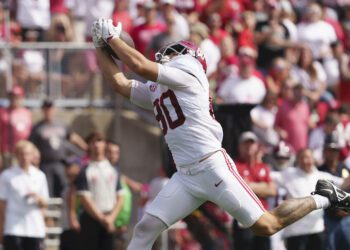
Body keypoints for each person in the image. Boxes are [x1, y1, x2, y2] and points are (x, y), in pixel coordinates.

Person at [91, 18, 350, 250]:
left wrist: (112, 38)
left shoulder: (189, 72)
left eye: (173, 51)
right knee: (145, 229)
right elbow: (121, 84)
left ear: (188, 56)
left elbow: (138, 64)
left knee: (266, 225)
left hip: (211, 166)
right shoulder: (163, 87)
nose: (165, 54)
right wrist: (100, 46)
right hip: (185, 175)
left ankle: (324, 197)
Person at [74, 131, 124, 250]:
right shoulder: (85, 170)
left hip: (109, 218)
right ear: (89, 145)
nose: (96, 145)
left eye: (99, 141)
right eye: (93, 142)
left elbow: (120, 196)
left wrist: (111, 218)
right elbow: (85, 199)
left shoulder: (113, 169)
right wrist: (102, 218)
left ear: (105, 144)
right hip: (91, 219)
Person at [29, 99, 87, 197]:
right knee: (48, 189)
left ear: (54, 109)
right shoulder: (37, 128)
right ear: (42, 110)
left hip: (61, 163)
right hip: (45, 163)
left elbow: (72, 137)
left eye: (50, 109)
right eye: (46, 109)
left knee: (63, 188)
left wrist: (86, 147)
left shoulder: (62, 125)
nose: (49, 111)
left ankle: (63, 210)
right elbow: (32, 146)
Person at [0, 140, 49, 250]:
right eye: (21, 154)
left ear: (32, 156)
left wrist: (38, 198)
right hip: (13, 228)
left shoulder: (40, 176)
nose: (24, 157)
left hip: (35, 228)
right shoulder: (7, 175)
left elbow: (45, 203)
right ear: (16, 156)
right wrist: (1, 227)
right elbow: (2, 204)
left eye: (27, 154)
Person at [0, 85, 32, 170]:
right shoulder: (3, 112)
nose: (14, 99)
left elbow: (30, 133)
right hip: (8, 152)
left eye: (16, 97)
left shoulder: (26, 113)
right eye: (11, 97)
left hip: (24, 152)